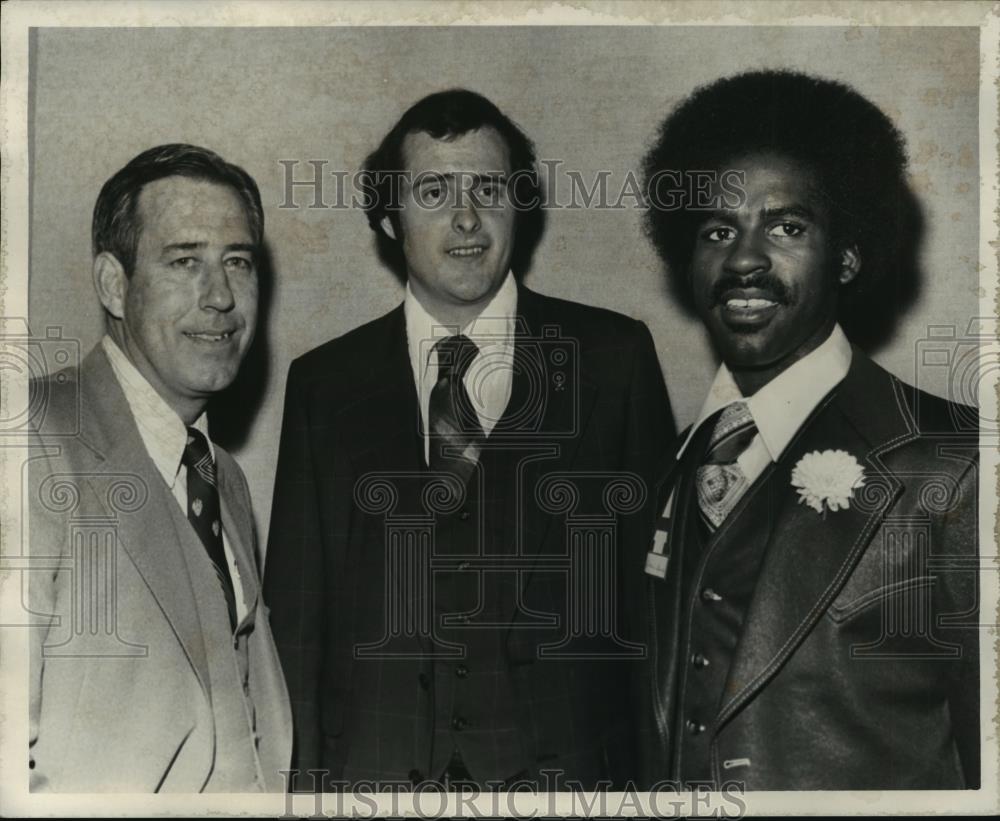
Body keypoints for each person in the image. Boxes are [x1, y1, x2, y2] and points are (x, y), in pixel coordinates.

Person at [264, 89, 674, 790]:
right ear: (390, 218)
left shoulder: (613, 358)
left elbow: (655, 618)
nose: (465, 217)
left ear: (520, 204)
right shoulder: (325, 385)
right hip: (372, 783)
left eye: (488, 187)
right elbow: (297, 634)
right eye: (432, 191)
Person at [634, 70, 979, 790]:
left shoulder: (956, 468)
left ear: (849, 254)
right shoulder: (663, 462)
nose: (745, 260)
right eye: (718, 230)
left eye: (787, 227)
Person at [27, 144, 291, 791]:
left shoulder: (224, 478)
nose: (222, 296)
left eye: (237, 262)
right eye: (184, 262)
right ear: (114, 284)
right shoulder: (34, 437)